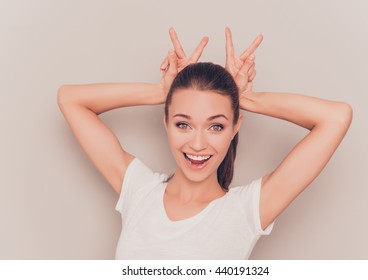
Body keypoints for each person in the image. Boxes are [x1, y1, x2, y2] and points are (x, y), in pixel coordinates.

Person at [57, 28, 352, 259]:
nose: (198, 143)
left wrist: (247, 99)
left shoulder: (246, 210)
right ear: (166, 123)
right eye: (183, 124)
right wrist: (160, 91)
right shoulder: (139, 189)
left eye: (216, 126)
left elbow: (336, 118)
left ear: (235, 127)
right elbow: (70, 99)